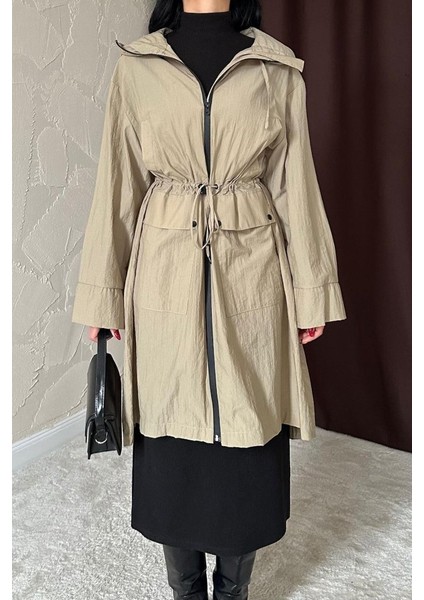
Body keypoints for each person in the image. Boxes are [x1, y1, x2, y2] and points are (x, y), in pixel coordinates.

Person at [71, 0, 347, 598]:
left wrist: (312, 292)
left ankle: (232, 590)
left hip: (253, 272)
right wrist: (102, 296)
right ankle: (186, 591)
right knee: (170, 430)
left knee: (248, 427)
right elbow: (117, 184)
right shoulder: (137, 66)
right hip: (163, 273)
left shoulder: (275, 68)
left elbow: (295, 184)